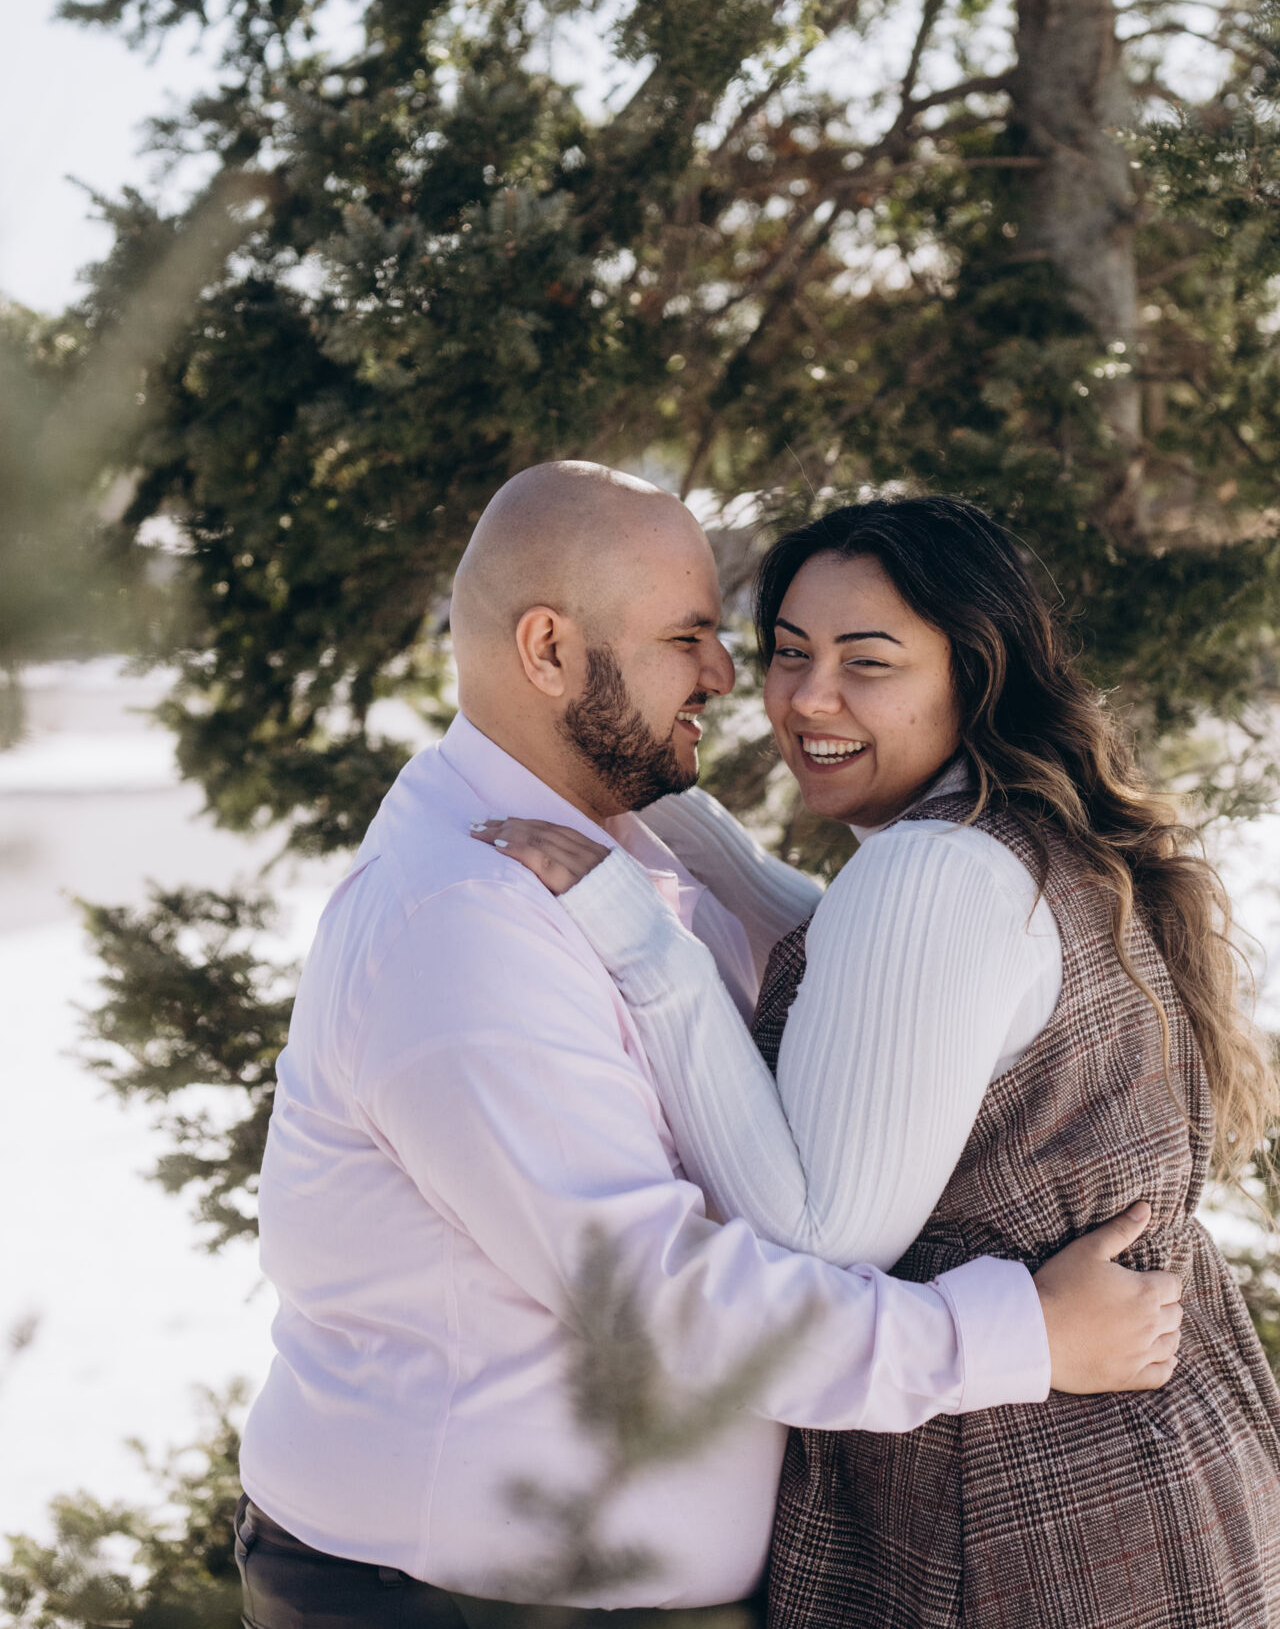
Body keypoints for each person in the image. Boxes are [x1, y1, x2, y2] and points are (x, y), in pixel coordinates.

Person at [236, 466, 1180, 1629]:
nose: (730, 678)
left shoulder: (612, 854)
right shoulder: (469, 924)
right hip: (451, 1603)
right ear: (548, 651)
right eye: (688, 638)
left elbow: (841, 995)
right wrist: (1013, 1336)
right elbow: (657, 1299)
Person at [479, 493, 1280, 1629]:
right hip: (1153, 1464)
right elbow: (864, 978)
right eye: (789, 653)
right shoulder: (1026, 834)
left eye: (868, 662)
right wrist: (656, 808)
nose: (809, 698)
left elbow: (816, 1238)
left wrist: (645, 945)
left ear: (973, 676)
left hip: (1016, 1521)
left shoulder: (934, 872)